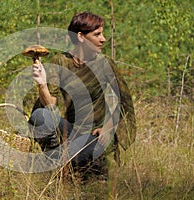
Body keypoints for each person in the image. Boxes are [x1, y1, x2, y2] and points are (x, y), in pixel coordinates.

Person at [28, 12, 136, 181]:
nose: (103, 39)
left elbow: (124, 102)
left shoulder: (105, 63)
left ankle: (88, 168)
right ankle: (64, 168)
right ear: (80, 36)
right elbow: (50, 107)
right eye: (97, 34)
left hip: (96, 140)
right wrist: (42, 84)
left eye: (102, 33)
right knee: (39, 116)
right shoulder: (61, 61)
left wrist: (108, 127)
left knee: (89, 153)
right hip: (71, 134)